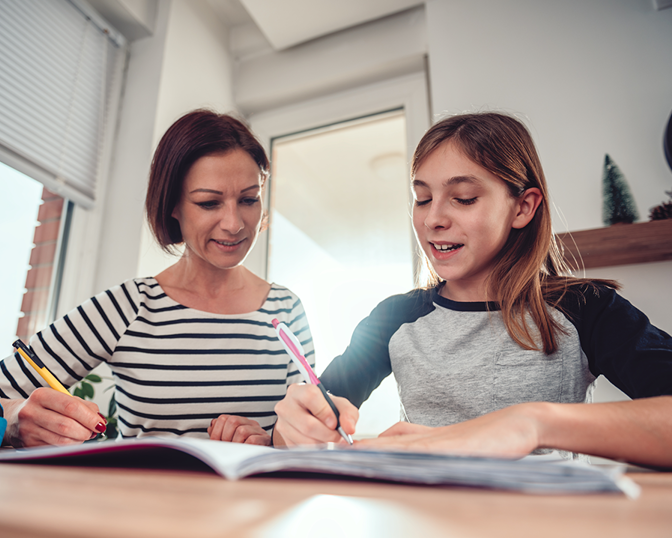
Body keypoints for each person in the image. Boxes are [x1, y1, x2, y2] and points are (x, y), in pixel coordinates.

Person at [273, 112, 672, 468]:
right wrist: (294, 425)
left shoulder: (585, 308)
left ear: (523, 208)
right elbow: (306, 423)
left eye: (463, 198)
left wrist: (530, 424)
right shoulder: (393, 318)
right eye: (422, 198)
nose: (432, 218)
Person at [0, 109, 314, 448]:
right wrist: (15, 418)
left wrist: (272, 441)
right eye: (209, 203)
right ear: (172, 205)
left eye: (249, 200)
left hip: (261, 510)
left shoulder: (287, 309)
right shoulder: (128, 307)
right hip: (142, 509)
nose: (235, 224)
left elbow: (312, 435)